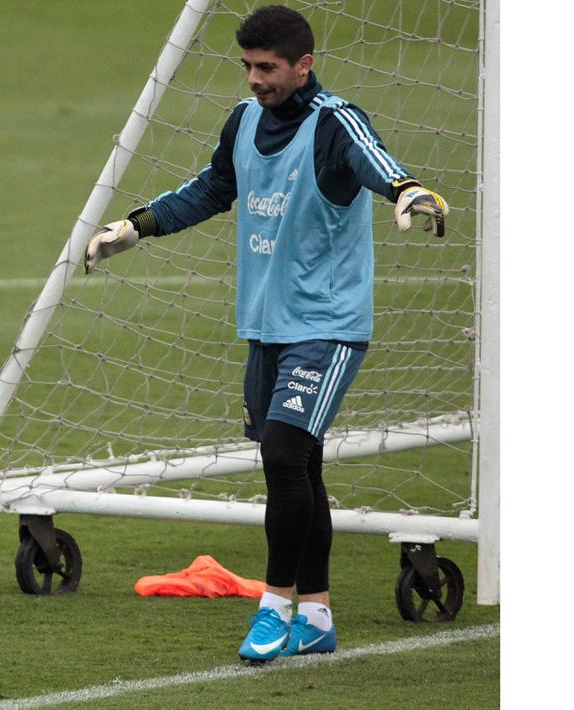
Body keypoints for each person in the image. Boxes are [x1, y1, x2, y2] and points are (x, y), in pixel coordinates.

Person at [84, 5, 447, 663]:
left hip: (328, 326)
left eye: (267, 67)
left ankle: (274, 606)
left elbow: (374, 161)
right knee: (297, 466)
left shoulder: (334, 121)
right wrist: (137, 226)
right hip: (266, 324)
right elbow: (212, 187)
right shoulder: (244, 120)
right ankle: (316, 616)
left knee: (281, 453)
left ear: (302, 64)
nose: (254, 79)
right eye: (247, 66)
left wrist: (408, 191)